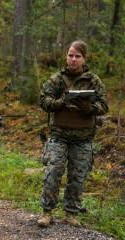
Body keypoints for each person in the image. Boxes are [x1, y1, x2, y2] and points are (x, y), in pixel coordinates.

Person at [37, 40, 109, 227]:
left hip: (83, 138)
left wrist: (88, 107)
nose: (73, 59)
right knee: (53, 173)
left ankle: (71, 213)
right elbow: (43, 101)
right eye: (71, 55)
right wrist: (61, 102)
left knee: (78, 177)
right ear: (66, 56)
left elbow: (104, 106)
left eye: (78, 56)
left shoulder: (93, 81)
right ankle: (47, 212)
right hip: (59, 135)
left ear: (84, 58)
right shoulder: (56, 80)